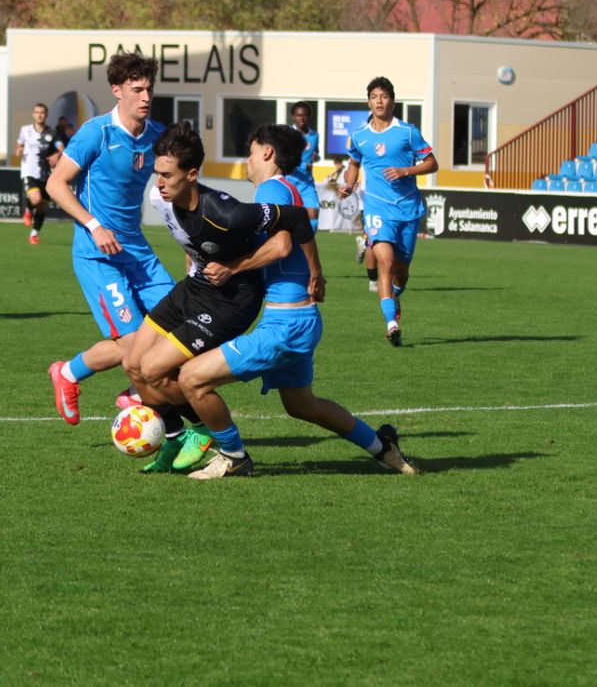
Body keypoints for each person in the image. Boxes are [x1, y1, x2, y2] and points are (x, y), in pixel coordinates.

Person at [174, 124, 418, 480]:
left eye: (251, 151)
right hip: (296, 318)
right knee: (302, 405)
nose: (247, 159)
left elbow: (282, 246)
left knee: (191, 378)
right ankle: (382, 447)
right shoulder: (286, 188)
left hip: (286, 324)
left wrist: (231, 267)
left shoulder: (272, 188)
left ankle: (233, 456)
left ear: (268, 153)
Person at [120, 121, 321, 477]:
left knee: (154, 368)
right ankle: (174, 436)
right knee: (134, 365)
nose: (159, 183)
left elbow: (294, 221)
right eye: (156, 173)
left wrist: (315, 271)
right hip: (195, 288)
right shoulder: (159, 197)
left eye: (167, 175)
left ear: (193, 174)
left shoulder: (228, 213)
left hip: (231, 301)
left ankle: (200, 431)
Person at [45, 52, 173, 426]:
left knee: (186, 324)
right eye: (137, 89)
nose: (145, 96)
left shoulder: (157, 136)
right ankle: (67, 373)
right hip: (96, 253)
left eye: (149, 88)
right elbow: (56, 183)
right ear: (117, 91)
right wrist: (94, 225)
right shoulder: (96, 132)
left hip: (137, 252)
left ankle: (134, 392)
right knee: (132, 342)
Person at [338, 77, 437, 347]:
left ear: (392, 100)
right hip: (376, 206)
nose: (379, 101)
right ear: (368, 102)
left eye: (383, 96)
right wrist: (348, 183)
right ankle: (391, 323)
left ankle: (394, 294)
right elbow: (354, 164)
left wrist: (407, 170)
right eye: (374, 96)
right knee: (386, 262)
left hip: (408, 208)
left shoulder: (407, 133)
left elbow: (432, 163)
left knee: (401, 273)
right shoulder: (360, 136)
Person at [15, 101, 62, 246]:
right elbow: (19, 144)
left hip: (46, 174)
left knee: (42, 207)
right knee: (35, 199)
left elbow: (62, 148)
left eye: (42, 112)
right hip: (29, 171)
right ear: (33, 114)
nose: (39, 115)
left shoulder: (52, 133)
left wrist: (57, 155)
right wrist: (18, 150)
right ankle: (28, 210)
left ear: (46, 115)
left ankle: (34, 235)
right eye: (37, 112)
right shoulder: (25, 130)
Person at [285, 101, 320, 216]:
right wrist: (304, 165)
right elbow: (284, 157)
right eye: (298, 115)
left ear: (308, 117)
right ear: (293, 116)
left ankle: (309, 235)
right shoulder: (287, 134)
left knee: (313, 215)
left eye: (304, 115)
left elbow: (316, 153)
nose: (301, 118)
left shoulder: (314, 136)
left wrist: (316, 157)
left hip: (306, 182)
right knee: (288, 218)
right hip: (289, 180)